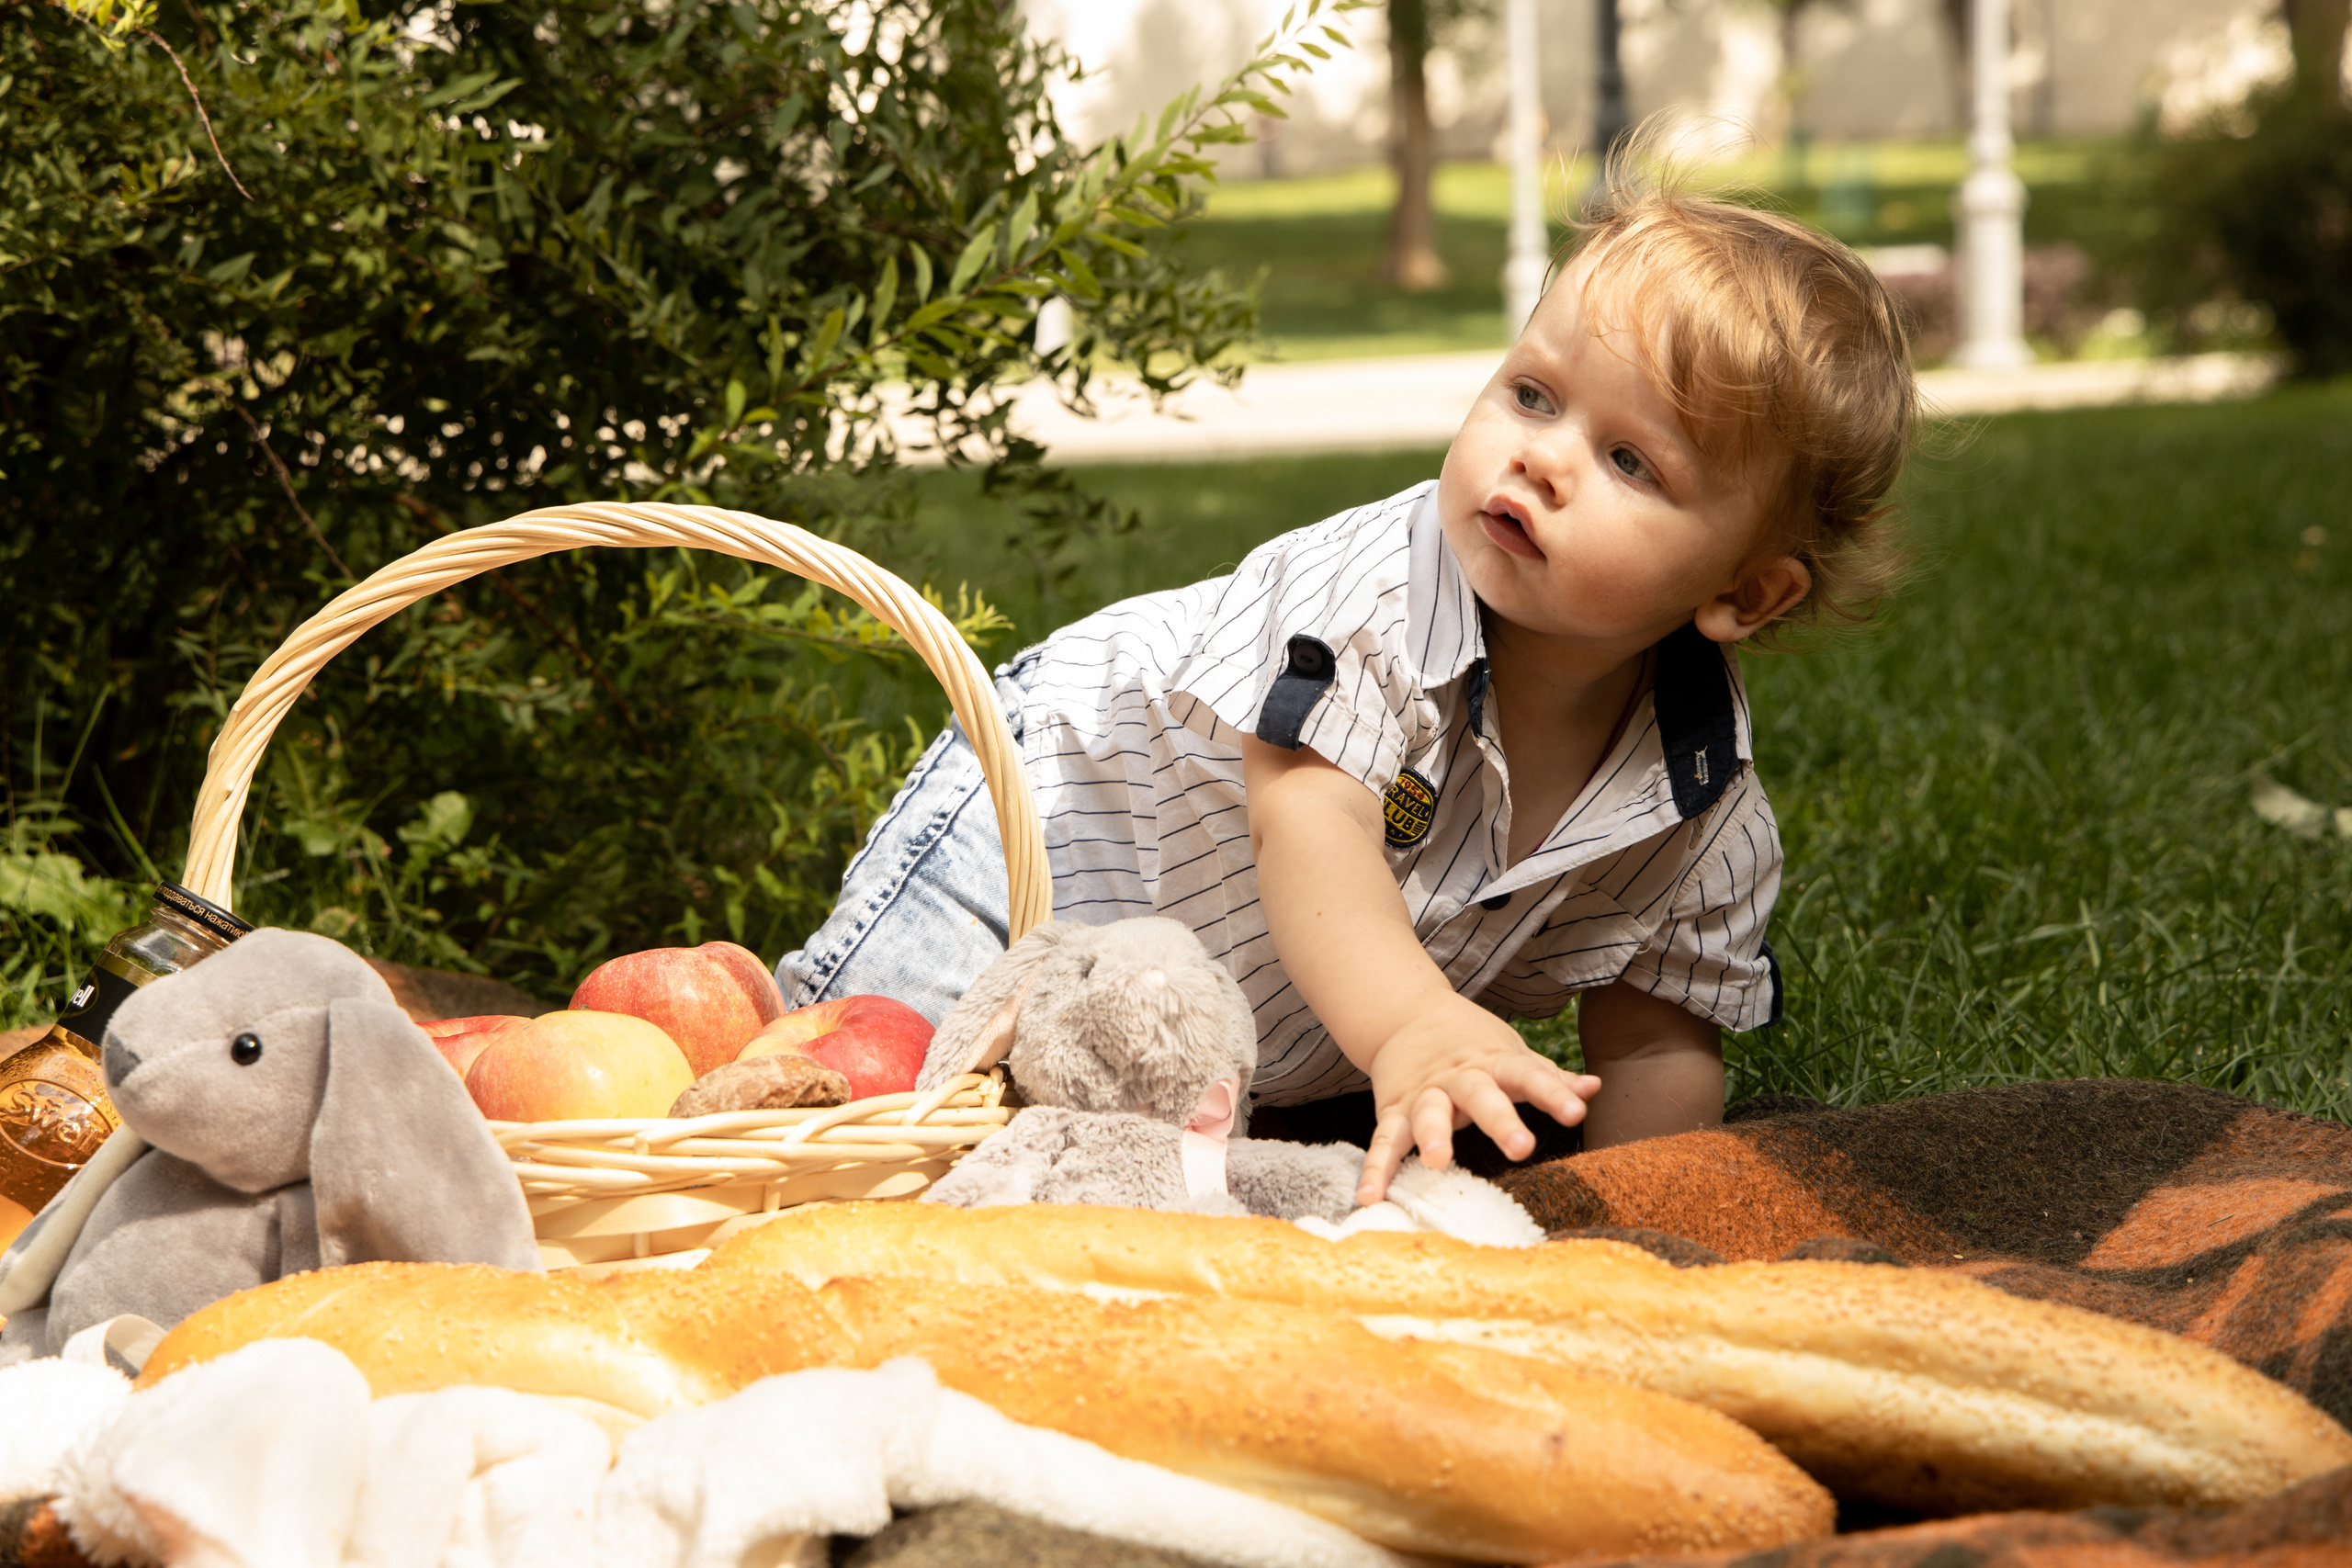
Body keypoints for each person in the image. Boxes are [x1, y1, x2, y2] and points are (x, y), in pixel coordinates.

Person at [777, 160, 1916, 1205]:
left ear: (1746, 595)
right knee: (861, 1116)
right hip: (1051, 814)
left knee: (1091, 1172)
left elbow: (1657, 1048)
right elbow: (1307, 824)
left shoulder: (1697, 813)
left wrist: (1632, 1223)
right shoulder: (1371, 600)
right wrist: (1418, 1023)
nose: (1543, 456)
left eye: (1629, 461)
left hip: (1243, 1000)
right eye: (1532, 394)